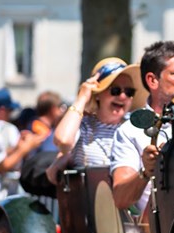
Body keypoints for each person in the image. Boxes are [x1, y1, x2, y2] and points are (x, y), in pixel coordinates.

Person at [110, 41, 174, 210]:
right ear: (153, 80)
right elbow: (120, 198)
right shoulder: (130, 131)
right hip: (155, 222)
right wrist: (146, 171)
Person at [47, 56, 146, 184]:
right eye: (115, 90)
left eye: (129, 92)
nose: (122, 96)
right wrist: (82, 98)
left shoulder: (136, 128)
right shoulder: (83, 126)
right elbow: (63, 140)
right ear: (98, 94)